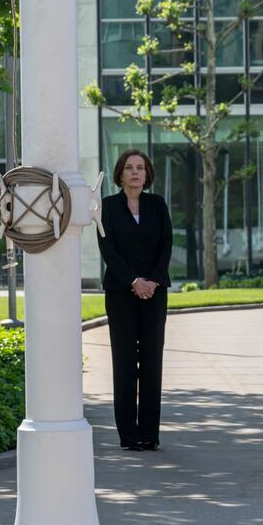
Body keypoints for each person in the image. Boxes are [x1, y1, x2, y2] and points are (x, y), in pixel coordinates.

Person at [97, 149, 173, 451]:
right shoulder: (108, 207)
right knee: (125, 363)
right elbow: (108, 249)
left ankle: (149, 434)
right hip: (120, 293)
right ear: (120, 173)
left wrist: (151, 281)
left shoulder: (157, 205)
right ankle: (129, 435)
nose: (135, 172)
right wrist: (133, 281)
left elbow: (167, 244)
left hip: (154, 293)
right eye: (129, 167)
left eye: (140, 167)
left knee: (152, 362)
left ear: (147, 173)